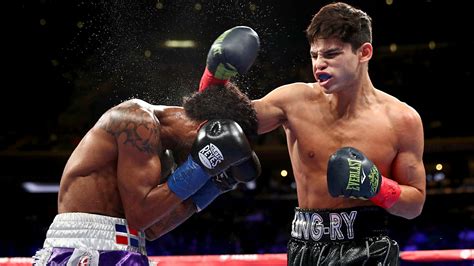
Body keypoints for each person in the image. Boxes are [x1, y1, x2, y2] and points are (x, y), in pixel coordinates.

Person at [199, 3, 425, 265]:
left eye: (331, 54)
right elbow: (219, 127)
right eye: (314, 55)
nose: (319, 64)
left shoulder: (401, 120)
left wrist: (375, 186)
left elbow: (414, 204)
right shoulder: (294, 101)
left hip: (368, 250)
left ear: (364, 52)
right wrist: (214, 77)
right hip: (305, 246)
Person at [33, 81, 262, 264]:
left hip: (127, 247)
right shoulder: (136, 121)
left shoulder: (165, 154)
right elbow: (139, 216)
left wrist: (215, 186)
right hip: (84, 248)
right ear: (207, 130)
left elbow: (152, 228)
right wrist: (202, 165)